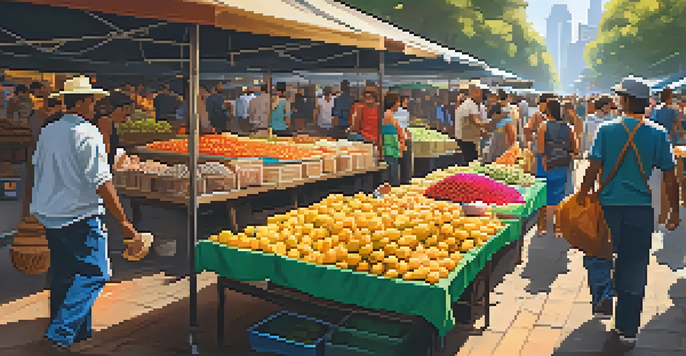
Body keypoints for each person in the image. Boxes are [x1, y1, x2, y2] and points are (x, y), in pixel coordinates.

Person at [26, 76, 145, 352]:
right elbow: (101, 181)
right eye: (91, 101)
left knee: (64, 274)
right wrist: (124, 221)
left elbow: (37, 168)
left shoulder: (49, 130)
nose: (95, 106)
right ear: (80, 102)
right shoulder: (87, 132)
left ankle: (78, 330)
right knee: (96, 272)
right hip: (80, 214)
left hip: (52, 214)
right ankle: (60, 334)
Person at [577, 77, 679, 350]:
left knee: (597, 252)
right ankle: (627, 330)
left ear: (623, 101)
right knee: (633, 266)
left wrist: (581, 196)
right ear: (645, 103)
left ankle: (603, 294)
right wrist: (674, 211)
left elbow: (593, 169)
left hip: (607, 207)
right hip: (641, 209)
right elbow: (671, 177)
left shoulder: (607, 130)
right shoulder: (658, 133)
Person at [537, 99, 578, 235]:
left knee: (542, 194)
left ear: (548, 111)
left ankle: (542, 226)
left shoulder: (543, 126)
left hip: (545, 164)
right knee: (560, 195)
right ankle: (558, 227)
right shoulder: (568, 128)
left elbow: (540, 150)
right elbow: (576, 150)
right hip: (562, 165)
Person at [93, 92, 132, 166]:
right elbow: (105, 151)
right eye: (125, 109)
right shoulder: (104, 121)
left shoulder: (106, 121)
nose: (126, 119)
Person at [455, 85, 488, 164]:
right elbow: (476, 122)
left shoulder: (465, 104)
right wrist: (492, 123)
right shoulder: (471, 105)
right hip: (468, 140)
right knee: (472, 163)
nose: (481, 97)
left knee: (467, 161)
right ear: (472, 93)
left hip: (461, 138)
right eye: (480, 93)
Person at [381, 92, 406, 186]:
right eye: (398, 102)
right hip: (389, 152)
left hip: (390, 151)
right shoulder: (388, 116)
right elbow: (393, 133)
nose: (399, 105)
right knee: (392, 180)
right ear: (393, 102)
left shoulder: (388, 115)